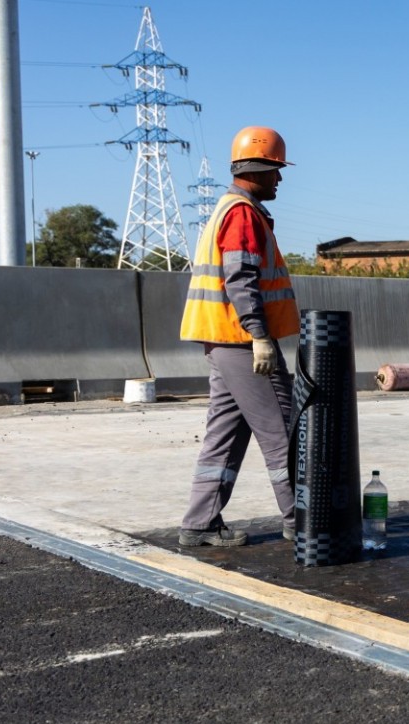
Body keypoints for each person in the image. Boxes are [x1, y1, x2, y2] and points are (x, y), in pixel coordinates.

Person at [176, 126, 300, 547]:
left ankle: (199, 523)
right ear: (257, 169)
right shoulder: (242, 213)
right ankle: (302, 520)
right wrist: (259, 335)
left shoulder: (231, 208)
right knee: (283, 429)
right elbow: (241, 279)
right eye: (276, 170)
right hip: (242, 342)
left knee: (225, 434)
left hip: (223, 341)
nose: (280, 179)